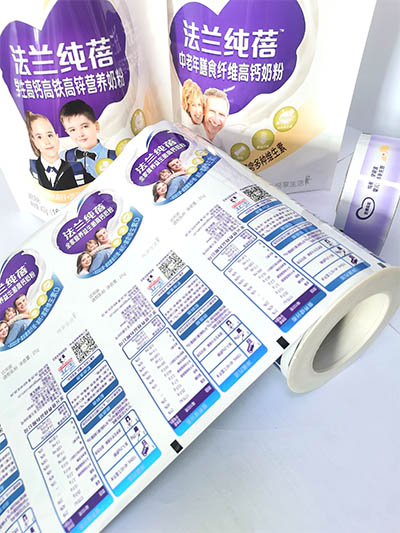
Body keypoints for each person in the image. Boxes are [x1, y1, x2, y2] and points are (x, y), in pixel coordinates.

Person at [25, 111, 94, 190]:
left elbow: (98, 189)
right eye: (39, 137)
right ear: (33, 141)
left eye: (50, 135)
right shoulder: (30, 170)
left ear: (57, 137)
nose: (47, 142)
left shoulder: (77, 169)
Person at [60, 99, 116, 178]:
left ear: (96, 126)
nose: (80, 134)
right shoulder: (63, 157)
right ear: (68, 133)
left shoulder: (115, 157)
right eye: (72, 130)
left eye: (85, 126)